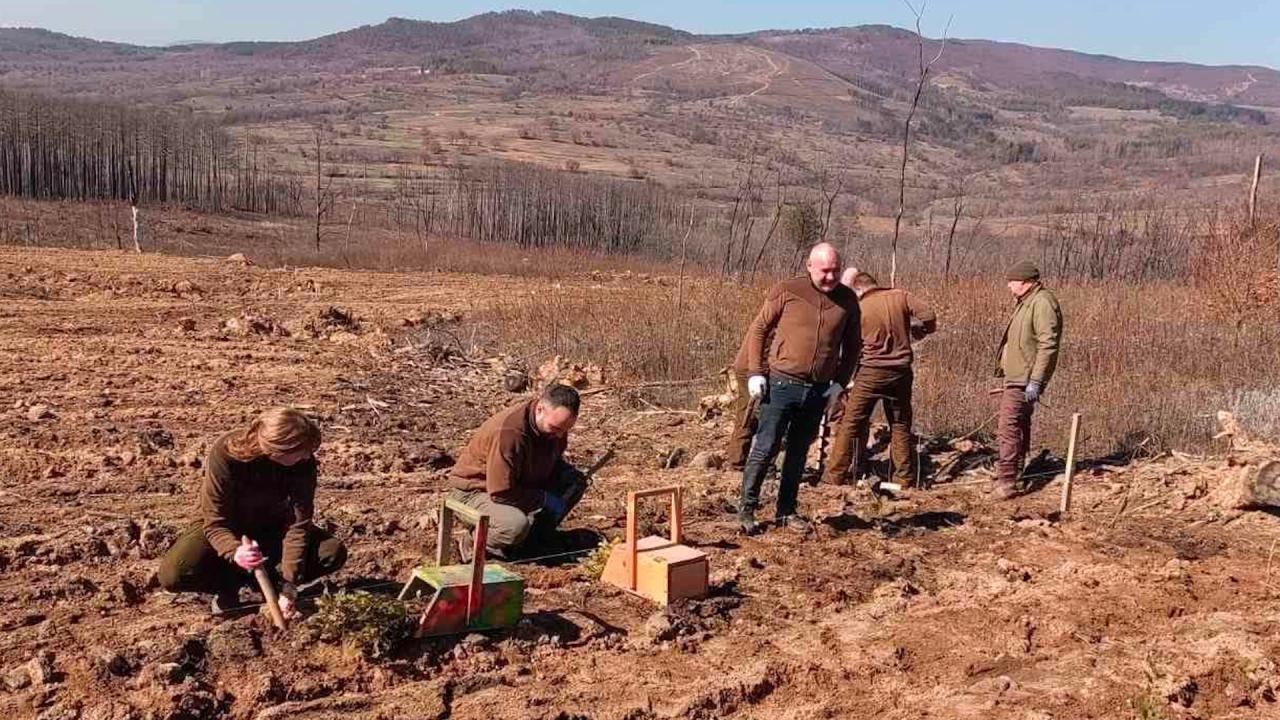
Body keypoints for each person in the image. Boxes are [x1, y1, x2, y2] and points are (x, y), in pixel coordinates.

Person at [159, 407, 347, 616]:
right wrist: (235, 551)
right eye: (301, 453)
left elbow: (298, 525)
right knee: (175, 573)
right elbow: (215, 521)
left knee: (331, 552)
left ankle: (272, 582)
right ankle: (228, 586)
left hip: (271, 526)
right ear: (276, 450)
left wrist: (289, 584)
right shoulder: (226, 453)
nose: (307, 457)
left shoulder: (303, 464)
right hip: (224, 526)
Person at [738, 242, 861, 534]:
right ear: (809, 267)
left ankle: (786, 511)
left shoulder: (848, 301)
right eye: (824, 271)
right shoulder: (788, 290)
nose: (830, 277)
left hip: (818, 389)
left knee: (797, 453)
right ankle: (747, 509)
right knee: (765, 447)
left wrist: (840, 384)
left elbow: (853, 346)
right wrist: (756, 372)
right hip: (781, 384)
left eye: (835, 270)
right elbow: (759, 329)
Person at [448, 383, 587, 558]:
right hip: (475, 492)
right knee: (513, 525)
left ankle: (531, 541)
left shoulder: (554, 426)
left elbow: (551, 461)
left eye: (565, 430)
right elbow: (500, 492)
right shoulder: (509, 433)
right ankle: (472, 543)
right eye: (556, 428)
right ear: (540, 409)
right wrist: (542, 499)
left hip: (519, 483)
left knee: (574, 482)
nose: (560, 435)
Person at [824, 272, 937, 487]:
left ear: (858, 289)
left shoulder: (859, 308)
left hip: (871, 372)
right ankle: (903, 477)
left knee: (851, 422)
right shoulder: (900, 296)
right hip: (901, 371)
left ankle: (834, 476)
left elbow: (849, 345)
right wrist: (922, 330)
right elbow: (928, 314)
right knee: (900, 423)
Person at [992, 260, 1063, 499]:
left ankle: (1007, 481)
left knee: (1008, 427)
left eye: (1012, 283)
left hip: (1025, 377)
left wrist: (1036, 380)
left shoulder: (1042, 303)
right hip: (1017, 375)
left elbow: (1048, 344)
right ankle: (1015, 474)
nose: (1009, 287)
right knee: (1019, 426)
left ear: (1025, 283)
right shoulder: (1027, 302)